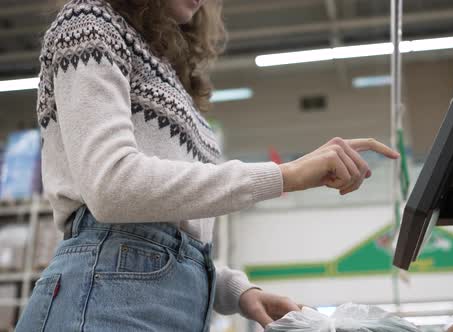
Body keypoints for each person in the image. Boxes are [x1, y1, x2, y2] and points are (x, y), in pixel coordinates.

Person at [15, 0, 399, 331]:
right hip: (103, 300)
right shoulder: (87, 23)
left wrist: (236, 290)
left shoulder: (166, 72)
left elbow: (172, 232)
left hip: (151, 302)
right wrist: (284, 176)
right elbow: (112, 187)